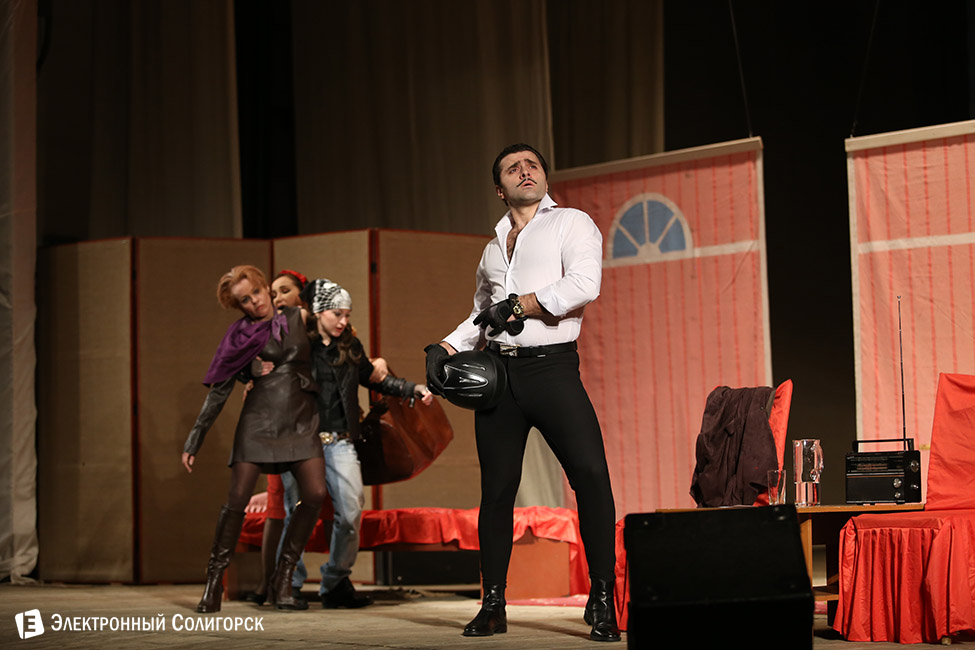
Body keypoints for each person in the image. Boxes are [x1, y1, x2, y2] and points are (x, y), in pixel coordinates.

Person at [424, 144, 621, 642]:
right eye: (513, 168)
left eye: (532, 164)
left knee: (591, 477)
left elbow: (584, 284)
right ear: (500, 188)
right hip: (498, 376)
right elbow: (481, 314)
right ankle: (493, 605)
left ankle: (602, 599)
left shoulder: (571, 223)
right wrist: (445, 346)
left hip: (552, 370)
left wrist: (519, 305)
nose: (525, 171)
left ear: (544, 178)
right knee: (496, 493)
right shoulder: (492, 249)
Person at [182, 265, 326, 613]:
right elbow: (218, 391)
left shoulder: (299, 317)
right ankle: (214, 582)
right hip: (258, 419)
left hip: (301, 417)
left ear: (266, 288)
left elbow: (334, 339)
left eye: (257, 293)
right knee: (237, 498)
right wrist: (195, 438)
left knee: (315, 493)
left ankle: (283, 579)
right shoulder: (240, 336)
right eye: (244, 300)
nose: (254, 303)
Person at [301, 277, 433, 608]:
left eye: (347, 314)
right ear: (318, 312)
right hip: (302, 442)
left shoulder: (350, 346)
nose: (343, 321)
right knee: (297, 512)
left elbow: (375, 379)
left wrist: (411, 389)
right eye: (336, 314)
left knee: (350, 510)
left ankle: (335, 581)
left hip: (341, 441)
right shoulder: (300, 346)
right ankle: (288, 582)